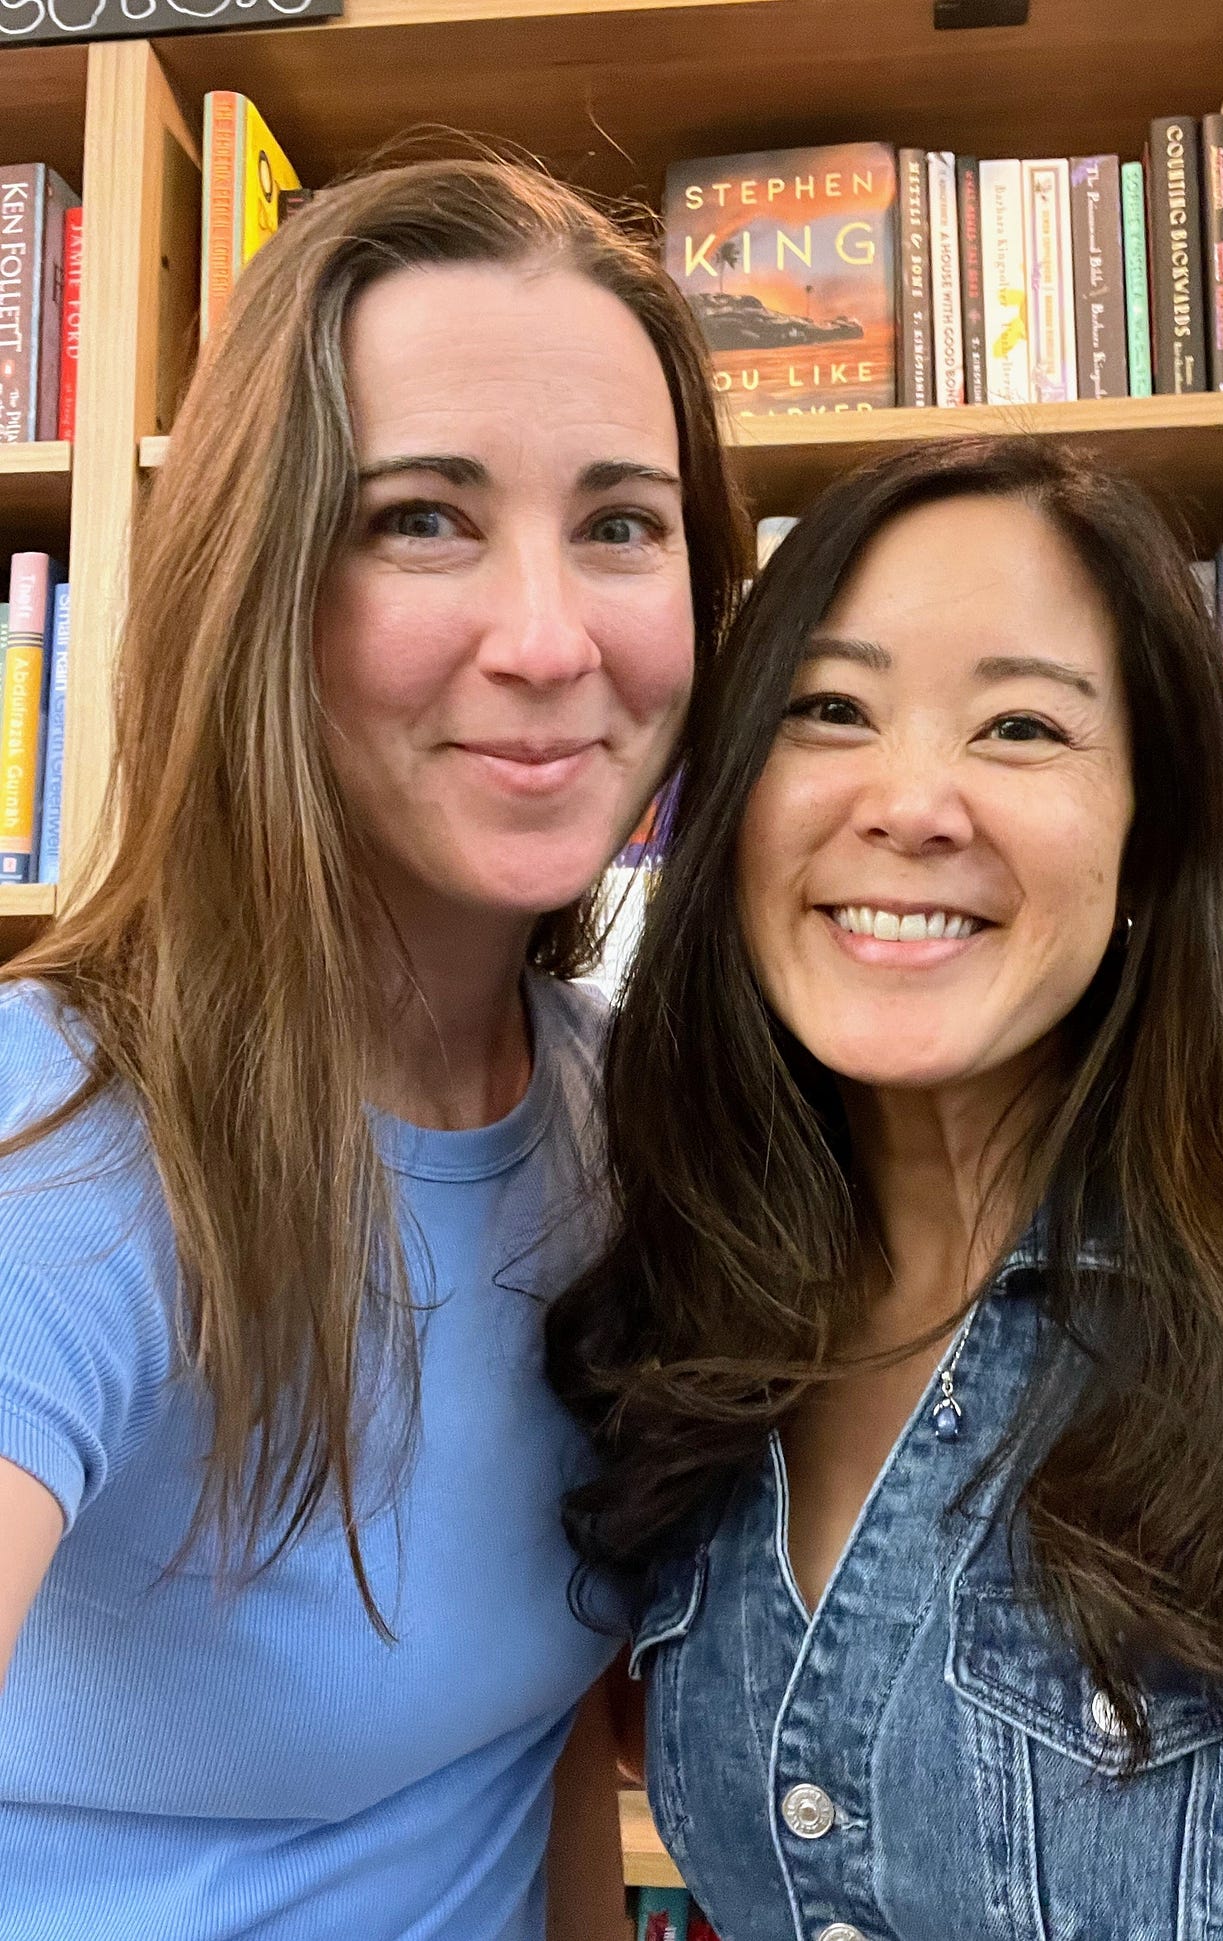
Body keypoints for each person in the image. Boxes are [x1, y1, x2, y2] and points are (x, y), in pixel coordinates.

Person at [549, 437, 1223, 1938]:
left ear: (1153, 821)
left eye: (1022, 726)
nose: (911, 802)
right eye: (828, 710)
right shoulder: (667, 1316)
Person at [0, 156, 744, 1940]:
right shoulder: (68, 1144)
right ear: (264, 586)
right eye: (423, 516)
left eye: (624, 524)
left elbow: (522, 1757)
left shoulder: (625, 1117)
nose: (551, 638)